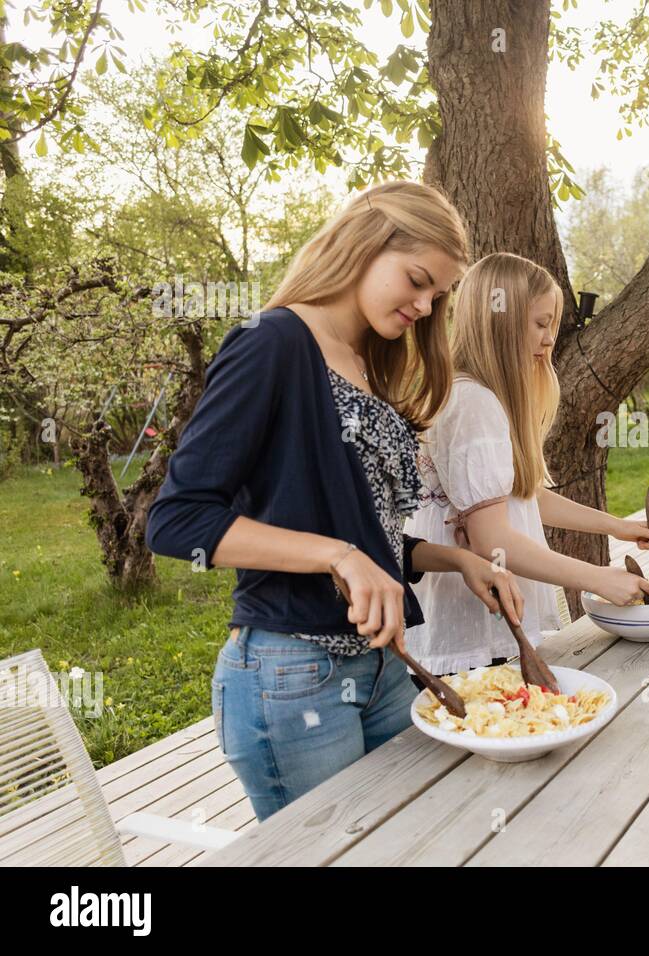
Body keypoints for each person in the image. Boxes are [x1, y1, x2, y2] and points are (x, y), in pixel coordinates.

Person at [146, 182, 525, 821]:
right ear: (365, 240)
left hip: (384, 669)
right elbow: (177, 521)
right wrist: (338, 555)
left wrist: (459, 561)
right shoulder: (272, 341)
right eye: (416, 279)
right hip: (292, 673)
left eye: (438, 295)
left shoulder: (367, 362)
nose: (426, 306)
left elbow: (361, 530)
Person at [404, 252, 649, 679]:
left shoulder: (478, 395)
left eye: (553, 325)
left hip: (483, 616)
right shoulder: (472, 403)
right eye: (540, 324)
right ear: (501, 323)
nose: (549, 339)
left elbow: (521, 497)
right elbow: (491, 538)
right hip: (470, 623)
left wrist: (615, 526)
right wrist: (598, 578)